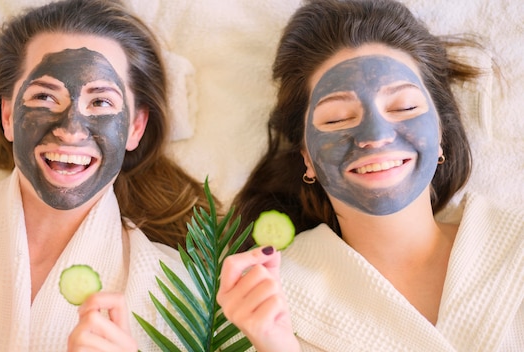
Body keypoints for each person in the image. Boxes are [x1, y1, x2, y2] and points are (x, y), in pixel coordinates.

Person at [0, 0, 212, 350]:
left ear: (135, 128)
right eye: (45, 97)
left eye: (101, 102)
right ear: (7, 116)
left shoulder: (179, 299)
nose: (71, 130)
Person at [217, 0, 524, 351]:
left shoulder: (516, 248)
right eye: (337, 119)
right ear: (307, 157)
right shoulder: (270, 301)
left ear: (441, 131)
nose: (376, 135)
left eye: (404, 107)